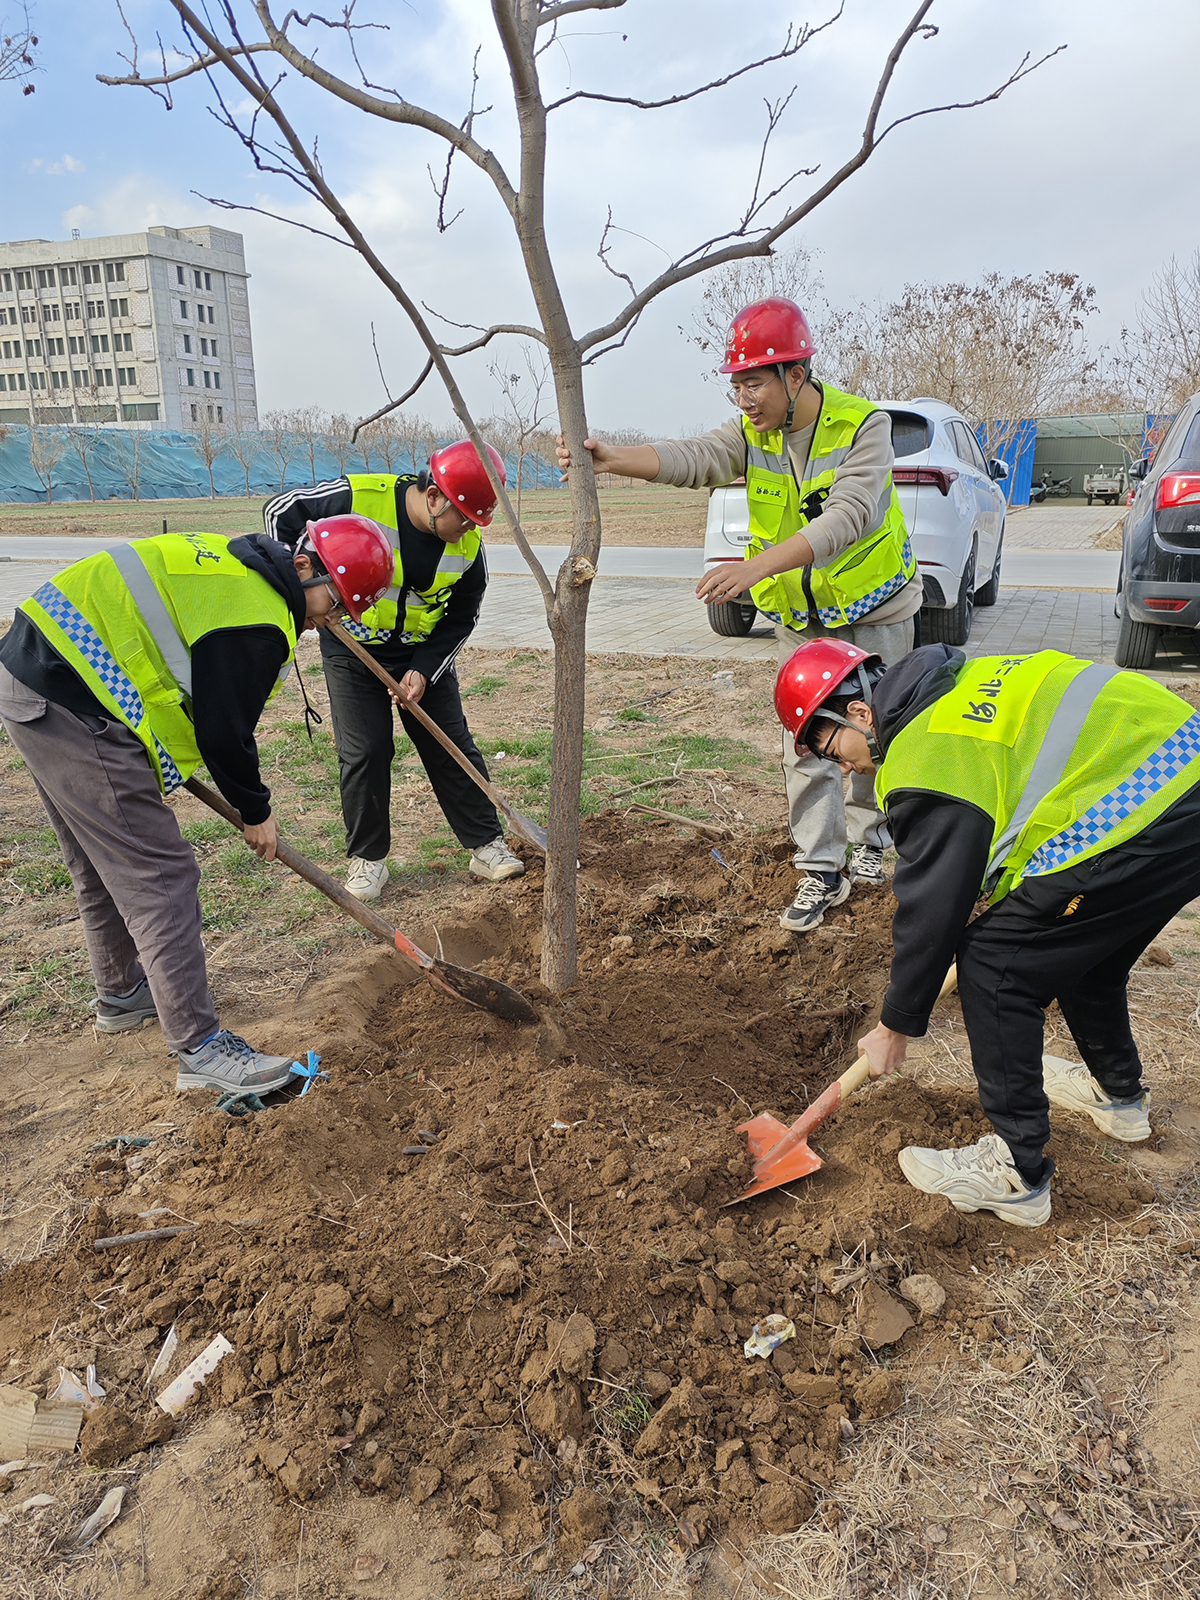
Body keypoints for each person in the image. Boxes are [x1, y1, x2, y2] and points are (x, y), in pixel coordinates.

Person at [776, 636, 1200, 1227]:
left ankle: (1017, 1175)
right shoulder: (948, 687)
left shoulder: (925, 757)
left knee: (996, 965)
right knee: (1080, 950)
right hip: (1181, 776)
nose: (840, 766)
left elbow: (933, 908)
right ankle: (1120, 1099)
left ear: (857, 711)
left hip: (1144, 806)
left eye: (830, 746)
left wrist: (897, 1024)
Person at [556, 296, 919, 932]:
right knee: (805, 736)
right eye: (737, 384)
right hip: (802, 621)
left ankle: (872, 839)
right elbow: (692, 458)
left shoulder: (864, 427)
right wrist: (611, 458)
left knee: (879, 724)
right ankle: (819, 867)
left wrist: (755, 570)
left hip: (875, 605)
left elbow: (849, 516)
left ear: (795, 376)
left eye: (754, 382)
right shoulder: (753, 434)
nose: (744, 398)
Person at [0, 520, 394, 1094]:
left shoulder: (242, 564)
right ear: (307, 567)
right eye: (333, 603)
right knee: (159, 874)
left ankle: (123, 992)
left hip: (35, 671)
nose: (325, 622)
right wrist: (255, 811)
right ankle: (201, 1050)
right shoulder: (259, 618)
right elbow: (223, 731)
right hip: (72, 694)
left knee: (100, 861)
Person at [263, 442, 524, 901]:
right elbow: (280, 511)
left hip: (421, 651)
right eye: (462, 516)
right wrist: (300, 584)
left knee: (449, 742)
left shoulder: (467, 549)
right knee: (365, 751)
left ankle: (486, 844)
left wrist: (424, 671)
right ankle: (368, 859)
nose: (467, 529)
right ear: (434, 496)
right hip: (352, 647)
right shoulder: (357, 497)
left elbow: (462, 618)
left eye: (476, 521)